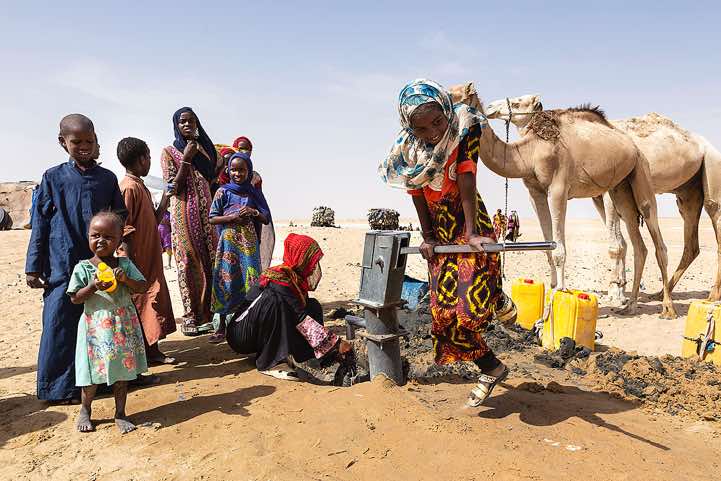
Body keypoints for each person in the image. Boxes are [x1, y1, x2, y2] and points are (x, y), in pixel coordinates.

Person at [379, 79, 516, 407]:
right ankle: (490, 366)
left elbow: (467, 178)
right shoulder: (407, 152)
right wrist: (427, 238)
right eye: (422, 128)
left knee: (468, 311)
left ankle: (495, 296)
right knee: (443, 320)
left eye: (437, 122)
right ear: (409, 127)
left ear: (446, 111)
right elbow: (417, 197)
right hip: (439, 234)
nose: (432, 132)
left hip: (468, 221)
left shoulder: (463, 130)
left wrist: (469, 233)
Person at [25, 114, 126, 403]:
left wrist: (113, 248)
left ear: (96, 141)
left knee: (101, 322)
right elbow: (40, 223)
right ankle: (58, 388)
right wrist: (33, 266)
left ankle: (104, 381)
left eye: (89, 141)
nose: (83, 146)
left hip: (99, 264)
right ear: (62, 142)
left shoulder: (107, 179)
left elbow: (120, 216)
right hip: (61, 263)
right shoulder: (52, 177)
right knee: (59, 322)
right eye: (76, 141)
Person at [225, 234, 353, 380]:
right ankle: (271, 362)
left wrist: (331, 349)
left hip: (259, 332)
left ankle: (309, 356)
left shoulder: (294, 280)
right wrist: (336, 343)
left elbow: (302, 314)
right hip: (242, 336)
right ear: (300, 259)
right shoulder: (279, 279)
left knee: (312, 306)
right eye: (311, 261)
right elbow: (300, 318)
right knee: (273, 301)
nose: (313, 267)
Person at [68, 212, 148, 433]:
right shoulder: (83, 268)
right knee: (92, 376)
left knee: (122, 374)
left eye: (108, 237)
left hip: (122, 327)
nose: (100, 241)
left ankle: (120, 413)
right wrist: (92, 286)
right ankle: (85, 410)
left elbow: (142, 286)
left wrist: (125, 279)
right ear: (88, 236)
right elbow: (75, 298)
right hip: (95, 330)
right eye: (95, 235)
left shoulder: (124, 264)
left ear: (119, 239)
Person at [117, 137, 177, 364]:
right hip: (138, 259)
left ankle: (152, 351)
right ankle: (150, 353)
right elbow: (125, 228)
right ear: (141, 159)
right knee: (144, 302)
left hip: (150, 257)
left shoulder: (140, 185)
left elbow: (152, 220)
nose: (150, 161)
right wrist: (129, 262)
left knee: (153, 299)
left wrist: (165, 199)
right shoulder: (129, 188)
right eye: (148, 157)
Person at [161, 107, 219, 336]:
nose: (187, 125)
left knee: (210, 259)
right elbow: (171, 187)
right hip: (183, 214)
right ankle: (191, 316)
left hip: (207, 215)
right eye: (182, 122)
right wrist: (186, 159)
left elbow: (214, 173)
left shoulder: (204, 148)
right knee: (188, 262)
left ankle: (210, 314)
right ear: (176, 125)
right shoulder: (168, 152)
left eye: (191, 121)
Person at [207, 152, 271, 343]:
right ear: (228, 170)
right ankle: (221, 328)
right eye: (233, 169)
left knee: (250, 282)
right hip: (228, 244)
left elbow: (265, 217)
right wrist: (231, 218)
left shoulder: (253, 192)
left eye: (241, 170)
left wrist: (253, 211)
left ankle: (248, 325)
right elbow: (212, 218)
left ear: (249, 171)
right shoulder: (222, 191)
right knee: (225, 282)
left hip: (248, 244)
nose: (237, 173)